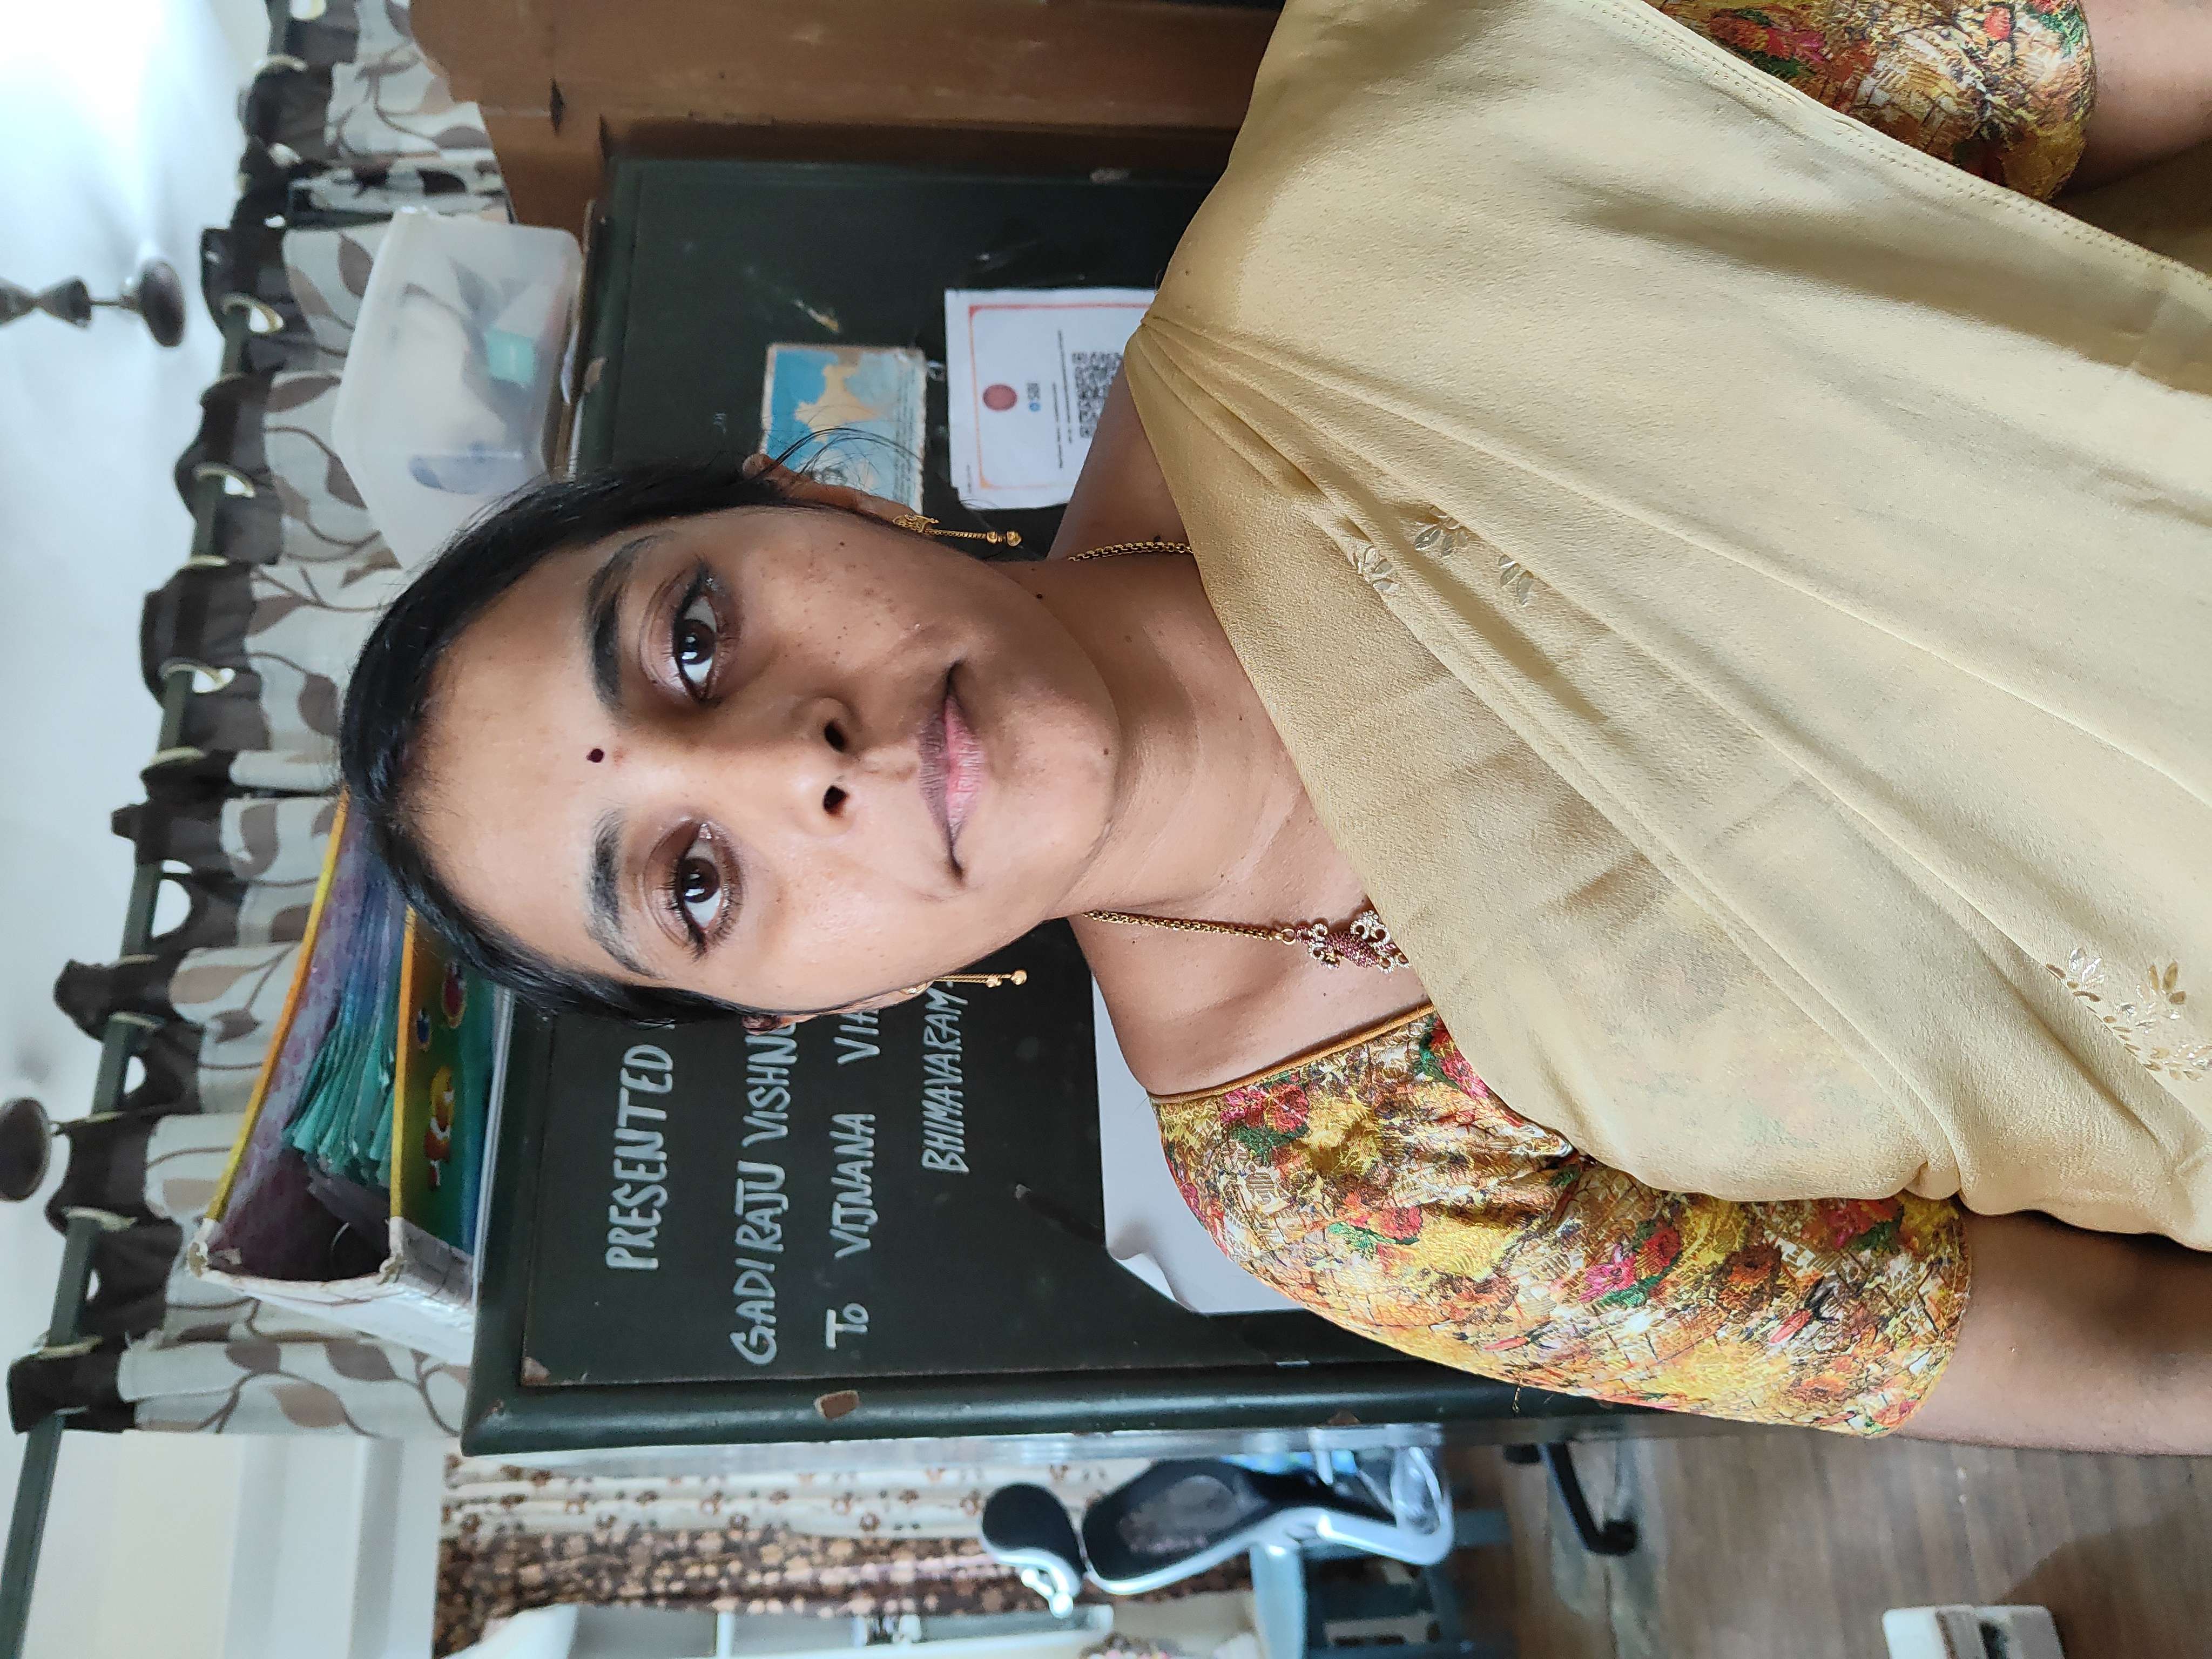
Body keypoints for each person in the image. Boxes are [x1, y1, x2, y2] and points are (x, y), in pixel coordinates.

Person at [340, 0, 2212, 1449]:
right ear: (805, 1010)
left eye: (689, 639)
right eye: (692, 880)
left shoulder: (1418, 164)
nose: (794, 764)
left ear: (818, 495)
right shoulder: (1351, 1185)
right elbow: (2127, 1353)